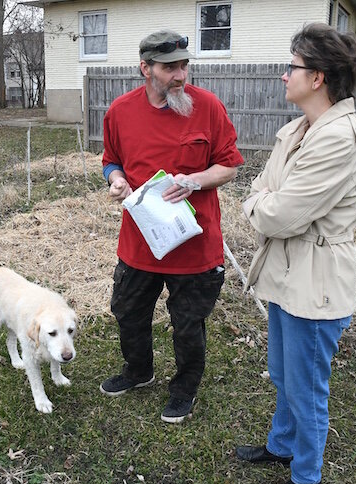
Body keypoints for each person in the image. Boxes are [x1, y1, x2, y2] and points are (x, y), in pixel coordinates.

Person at [235, 23, 356, 484]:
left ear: (317, 78)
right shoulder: (298, 129)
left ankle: (306, 481)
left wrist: (262, 205)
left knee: (307, 387)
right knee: (283, 375)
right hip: (286, 275)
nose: (283, 75)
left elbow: (278, 213)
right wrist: (265, 203)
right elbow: (265, 191)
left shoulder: (338, 139)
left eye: (291, 66)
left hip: (316, 284)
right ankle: (282, 445)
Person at [99, 29, 244, 424]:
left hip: (194, 247)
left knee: (187, 324)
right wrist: (115, 179)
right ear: (145, 68)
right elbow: (111, 159)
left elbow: (229, 164)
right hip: (140, 242)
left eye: (184, 66)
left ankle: (183, 390)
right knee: (128, 312)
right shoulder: (121, 111)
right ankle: (138, 371)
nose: (180, 75)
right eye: (169, 68)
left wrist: (195, 180)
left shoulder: (208, 107)